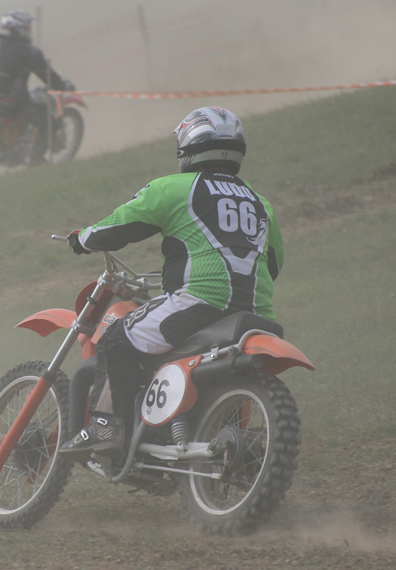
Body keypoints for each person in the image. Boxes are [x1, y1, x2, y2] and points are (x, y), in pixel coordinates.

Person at [59, 106, 284, 460]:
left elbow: (117, 227)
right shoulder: (261, 203)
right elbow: (273, 264)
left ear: (188, 145)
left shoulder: (174, 188)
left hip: (198, 303)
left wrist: (83, 238)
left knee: (115, 337)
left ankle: (105, 428)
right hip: (256, 313)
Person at [0, 10, 74, 164]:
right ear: (20, 28)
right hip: (15, 101)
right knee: (48, 119)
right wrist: (63, 86)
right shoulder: (30, 51)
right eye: (28, 26)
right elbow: (47, 76)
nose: (29, 30)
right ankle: (36, 160)